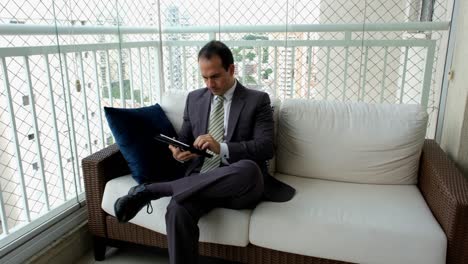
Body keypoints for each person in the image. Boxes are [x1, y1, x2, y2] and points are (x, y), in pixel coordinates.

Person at [114, 40, 295, 264]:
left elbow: (266, 147)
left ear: (231, 69)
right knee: (177, 209)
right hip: (200, 180)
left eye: (216, 76)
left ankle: (151, 190)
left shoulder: (257, 100)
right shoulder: (195, 99)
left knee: (248, 168)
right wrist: (178, 151)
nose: (210, 84)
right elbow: (184, 139)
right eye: (204, 77)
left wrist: (222, 148)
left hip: (240, 185)